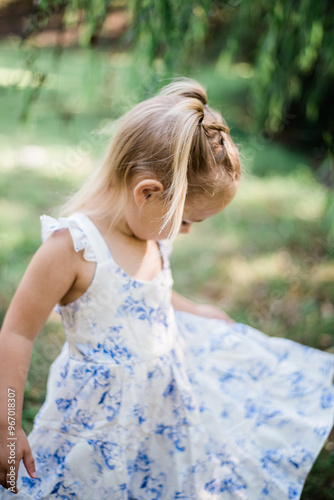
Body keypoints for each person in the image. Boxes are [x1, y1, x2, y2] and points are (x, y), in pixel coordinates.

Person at [0, 78, 333, 500]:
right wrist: (7, 426)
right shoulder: (72, 249)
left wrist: (192, 308)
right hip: (100, 419)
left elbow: (145, 298)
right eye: (188, 219)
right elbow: (16, 334)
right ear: (148, 192)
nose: (187, 230)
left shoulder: (152, 232)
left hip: (161, 403)